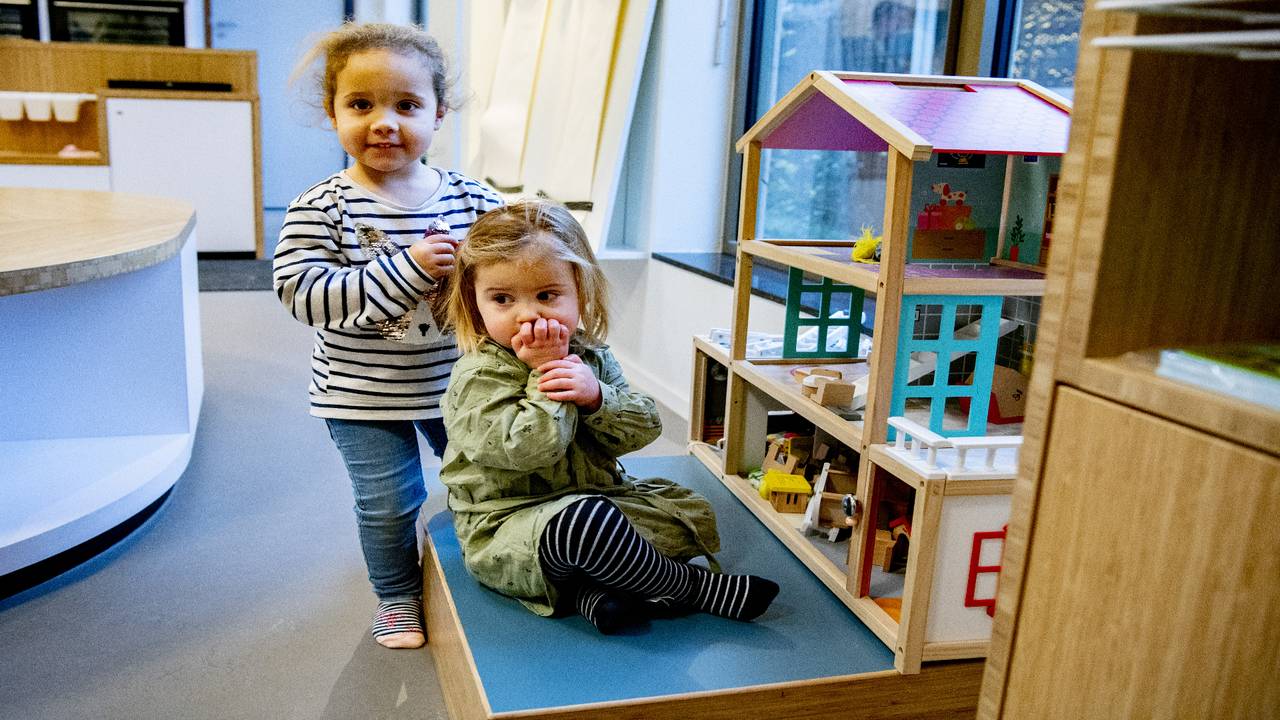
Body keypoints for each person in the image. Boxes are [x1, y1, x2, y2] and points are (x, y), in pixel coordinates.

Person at [439, 200, 779, 634]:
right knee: (582, 525)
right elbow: (526, 450)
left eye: (547, 295)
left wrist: (598, 398)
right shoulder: (477, 375)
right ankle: (691, 588)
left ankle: (594, 593)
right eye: (503, 299)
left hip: (600, 503)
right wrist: (546, 377)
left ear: (581, 290)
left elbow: (644, 429)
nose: (529, 314)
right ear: (475, 302)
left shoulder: (591, 355)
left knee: (690, 512)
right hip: (510, 522)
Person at [273, 22, 502, 650]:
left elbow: (514, 268)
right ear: (332, 113)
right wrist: (407, 269)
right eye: (360, 104)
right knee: (390, 503)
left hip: (462, 385)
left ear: (438, 113)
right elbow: (301, 295)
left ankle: (484, 568)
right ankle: (398, 598)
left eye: (406, 105)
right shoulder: (323, 206)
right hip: (360, 393)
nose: (383, 122)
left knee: (483, 480)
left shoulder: (473, 199)